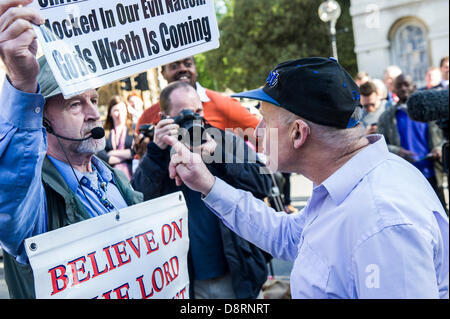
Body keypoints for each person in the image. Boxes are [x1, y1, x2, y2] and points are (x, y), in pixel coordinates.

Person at [162, 57, 449, 298]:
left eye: (265, 120)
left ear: (298, 133)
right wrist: (208, 185)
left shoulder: (382, 222)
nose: (258, 132)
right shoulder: (346, 183)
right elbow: (289, 236)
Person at [0, 1, 143, 298]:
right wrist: (23, 85)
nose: (93, 113)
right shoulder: (36, 198)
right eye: (75, 104)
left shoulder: (113, 176)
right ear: (42, 120)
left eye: (94, 99)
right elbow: (10, 198)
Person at [131, 81, 272, 299]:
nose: (193, 119)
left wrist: (220, 155)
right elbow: (137, 203)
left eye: (197, 111)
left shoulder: (224, 140)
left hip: (236, 272)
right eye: (184, 114)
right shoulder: (159, 154)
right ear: (163, 117)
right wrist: (156, 153)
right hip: (186, 279)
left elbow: (263, 184)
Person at [135, 56, 260, 151]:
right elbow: (139, 160)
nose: (183, 69)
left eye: (188, 64)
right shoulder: (148, 117)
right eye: (174, 66)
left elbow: (264, 136)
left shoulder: (222, 103)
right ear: (163, 73)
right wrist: (151, 150)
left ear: (195, 68)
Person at [377, 74, 447, 211]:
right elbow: (379, 143)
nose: (403, 88)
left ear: (414, 87)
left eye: (406, 84)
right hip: (404, 178)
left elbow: (445, 136)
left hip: (432, 174)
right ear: (394, 90)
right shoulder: (386, 117)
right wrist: (397, 151)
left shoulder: (430, 112)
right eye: (399, 86)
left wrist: (439, 148)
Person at [97, 96, 136, 180]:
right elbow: (102, 156)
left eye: (122, 109)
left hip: (133, 174)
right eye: (116, 110)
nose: (120, 113)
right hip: (113, 177)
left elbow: (135, 152)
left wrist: (111, 152)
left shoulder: (134, 128)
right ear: (110, 113)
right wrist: (127, 155)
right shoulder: (104, 132)